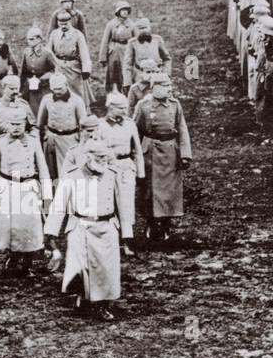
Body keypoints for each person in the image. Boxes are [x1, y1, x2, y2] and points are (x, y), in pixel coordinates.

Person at [45, 140, 123, 321]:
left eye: (105, 157)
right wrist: (50, 234)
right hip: (81, 227)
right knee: (81, 268)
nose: (103, 160)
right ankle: (83, 299)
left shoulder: (112, 175)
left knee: (106, 270)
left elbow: (123, 205)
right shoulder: (72, 176)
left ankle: (103, 305)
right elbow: (58, 206)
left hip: (106, 227)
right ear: (88, 157)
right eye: (99, 157)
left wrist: (126, 234)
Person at [0, 105, 52, 277]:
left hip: (28, 187)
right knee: (9, 226)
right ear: (7, 125)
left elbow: (43, 170)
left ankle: (27, 264)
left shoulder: (33, 142)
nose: (16, 127)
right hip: (6, 186)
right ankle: (12, 259)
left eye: (19, 124)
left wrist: (47, 197)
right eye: (12, 124)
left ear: (25, 124)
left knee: (30, 226)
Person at [133, 73, 192, 241]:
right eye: (162, 86)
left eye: (167, 86)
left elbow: (182, 129)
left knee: (169, 191)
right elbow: (134, 131)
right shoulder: (143, 106)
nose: (166, 89)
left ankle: (166, 225)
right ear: (154, 88)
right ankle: (151, 224)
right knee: (149, 191)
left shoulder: (175, 105)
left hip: (170, 152)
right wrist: (134, 155)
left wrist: (185, 155)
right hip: (150, 153)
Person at [98, 92, 144, 256]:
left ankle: (128, 240)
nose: (125, 110)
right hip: (108, 168)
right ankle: (111, 240)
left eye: (125, 107)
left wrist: (140, 173)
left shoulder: (130, 124)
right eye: (121, 108)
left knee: (126, 204)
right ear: (110, 107)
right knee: (108, 203)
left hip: (126, 167)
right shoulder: (100, 125)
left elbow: (137, 149)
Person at [37, 72, 89, 179]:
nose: (57, 92)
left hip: (69, 140)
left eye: (60, 89)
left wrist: (82, 143)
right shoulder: (46, 99)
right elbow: (40, 123)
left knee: (67, 171)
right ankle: (50, 193)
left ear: (66, 85)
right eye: (54, 89)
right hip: (51, 139)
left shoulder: (77, 101)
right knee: (49, 171)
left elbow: (84, 125)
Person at [47, 10, 94, 106]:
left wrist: (86, 70)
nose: (63, 26)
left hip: (73, 68)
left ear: (70, 22)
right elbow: (49, 51)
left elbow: (84, 54)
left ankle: (80, 111)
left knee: (76, 92)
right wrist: (51, 65)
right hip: (58, 67)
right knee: (60, 89)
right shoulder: (54, 34)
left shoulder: (77, 35)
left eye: (66, 24)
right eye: (61, 24)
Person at [98, 2, 136, 97]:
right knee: (112, 72)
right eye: (123, 10)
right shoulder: (111, 24)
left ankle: (126, 93)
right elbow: (105, 40)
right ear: (118, 12)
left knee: (126, 72)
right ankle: (112, 93)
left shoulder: (132, 25)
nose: (125, 13)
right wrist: (103, 57)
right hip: (114, 51)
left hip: (127, 50)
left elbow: (137, 39)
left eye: (126, 10)